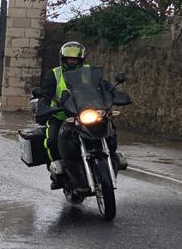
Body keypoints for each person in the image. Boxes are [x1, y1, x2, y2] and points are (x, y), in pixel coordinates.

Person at [36, 41, 123, 187]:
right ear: (63, 59)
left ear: (81, 60)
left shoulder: (90, 72)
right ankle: (58, 173)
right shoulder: (55, 74)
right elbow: (45, 95)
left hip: (89, 112)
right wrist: (45, 107)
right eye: (69, 59)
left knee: (110, 130)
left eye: (75, 59)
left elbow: (104, 87)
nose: (72, 61)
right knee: (52, 140)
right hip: (62, 116)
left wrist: (116, 95)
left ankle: (112, 157)